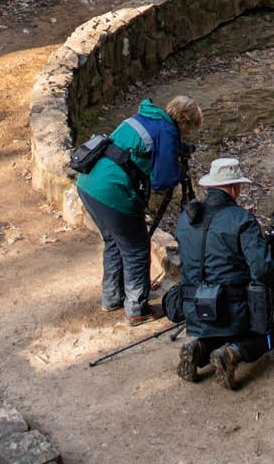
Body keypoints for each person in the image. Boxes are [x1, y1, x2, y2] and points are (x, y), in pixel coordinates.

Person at [75, 95, 203, 324]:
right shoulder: (168, 131)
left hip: (88, 183)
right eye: (189, 130)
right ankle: (136, 309)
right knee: (136, 247)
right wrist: (174, 160)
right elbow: (163, 182)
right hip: (113, 192)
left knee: (114, 241)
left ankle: (112, 297)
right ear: (184, 122)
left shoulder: (144, 116)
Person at [173, 157, 274, 390]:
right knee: (269, 334)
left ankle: (199, 349)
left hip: (194, 307)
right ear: (234, 188)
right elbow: (262, 268)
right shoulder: (241, 219)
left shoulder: (186, 218)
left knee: (218, 331)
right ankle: (233, 353)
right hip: (233, 306)